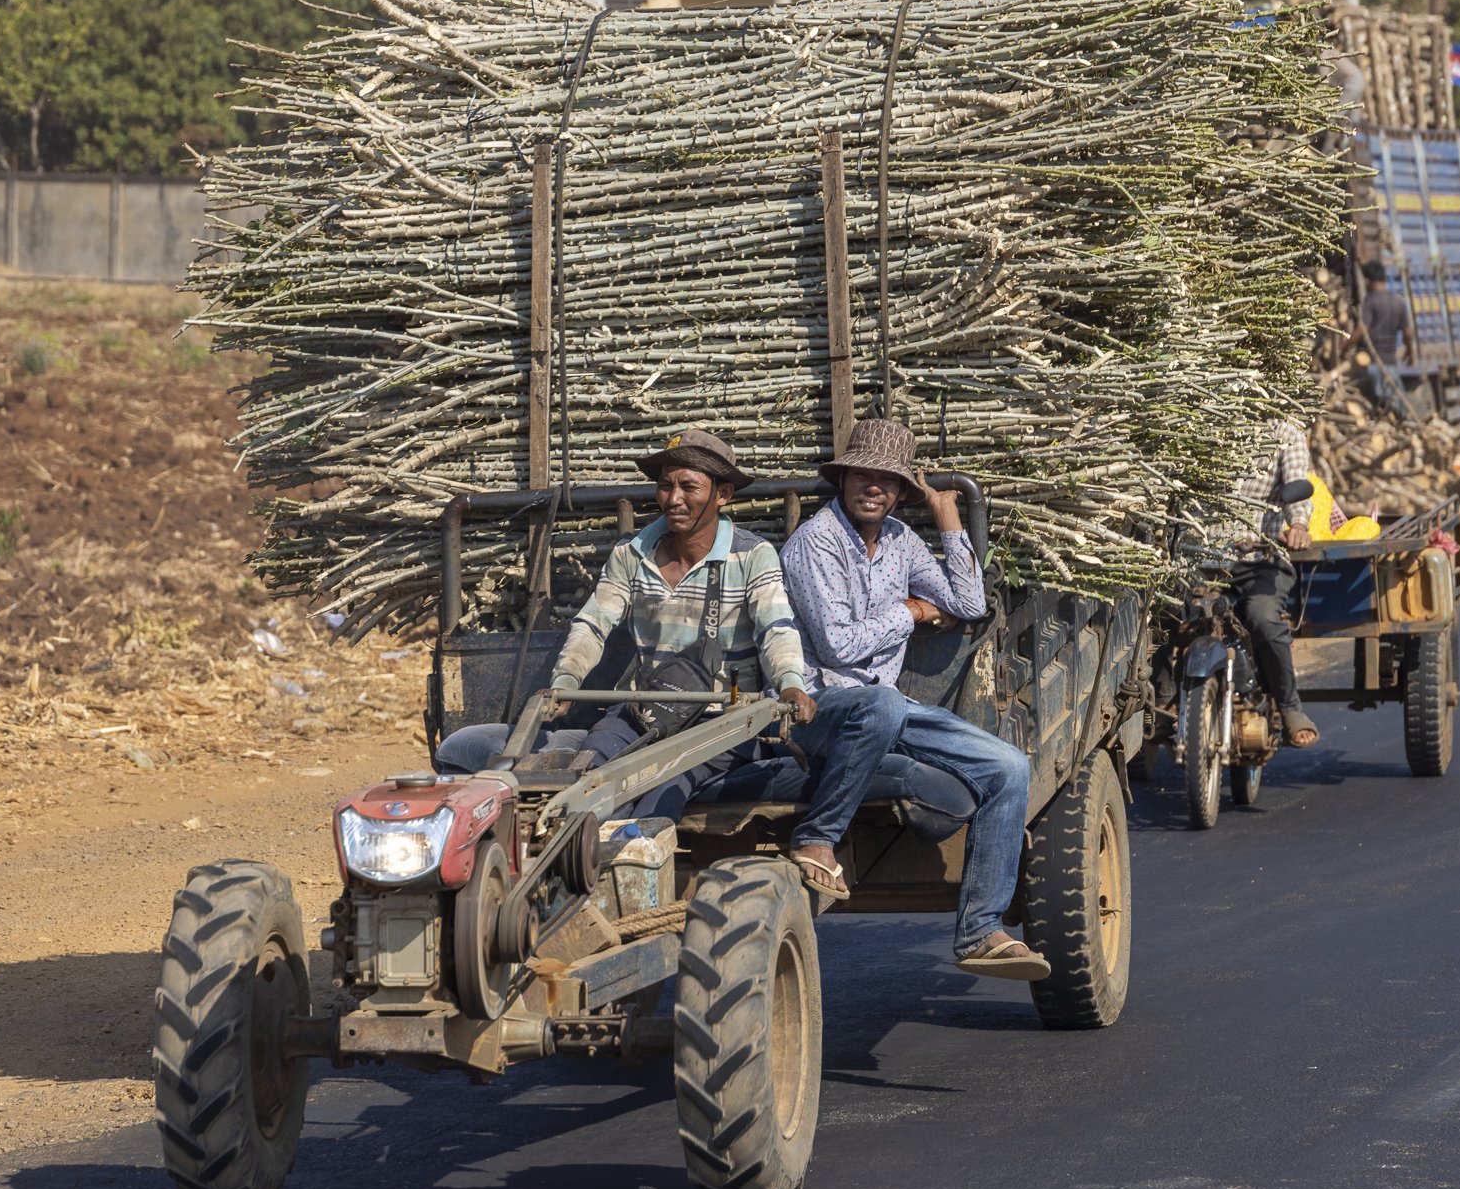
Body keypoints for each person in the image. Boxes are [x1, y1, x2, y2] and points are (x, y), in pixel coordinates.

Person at [779, 419, 1049, 982]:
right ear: (843, 479)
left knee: (1009, 766)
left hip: (887, 710)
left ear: (902, 491)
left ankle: (981, 930)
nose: (872, 486)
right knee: (878, 704)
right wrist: (915, 612)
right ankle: (817, 840)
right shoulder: (814, 542)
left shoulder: (902, 539)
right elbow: (839, 643)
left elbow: (970, 603)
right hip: (821, 710)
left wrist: (947, 515)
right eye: (862, 475)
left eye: (887, 479)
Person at [436, 429, 816, 819]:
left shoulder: (753, 555)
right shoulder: (632, 553)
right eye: (666, 486)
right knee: (592, 784)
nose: (674, 499)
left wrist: (790, 684)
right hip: (643, 709)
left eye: (689, 486)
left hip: (720, 720)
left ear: (723, 494)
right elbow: (593, 623)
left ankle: (636, 867)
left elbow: (776, 627)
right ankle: (579, 869)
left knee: (664, 787)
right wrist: (566, 681)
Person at [1230, 418, 1318, 748]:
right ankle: (1163, 700)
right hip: (1202, 561)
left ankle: (1290, 707)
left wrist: (1298, 524)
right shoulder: (1203, 418)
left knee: (1263, 618)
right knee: (1168, 620)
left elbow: (1297, 485)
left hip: (1259, 561)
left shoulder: (1284, 432)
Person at [1355, 261, 1413, 411]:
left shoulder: (1370, 301)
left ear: (1367, 280)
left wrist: (1343, 346)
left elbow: (1363, 328)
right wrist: (1410, 352)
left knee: (1380, 403)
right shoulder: (1398, 302)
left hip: (1375, 363)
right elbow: (1407, 332)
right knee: (1396, 403)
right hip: (1391, 362)